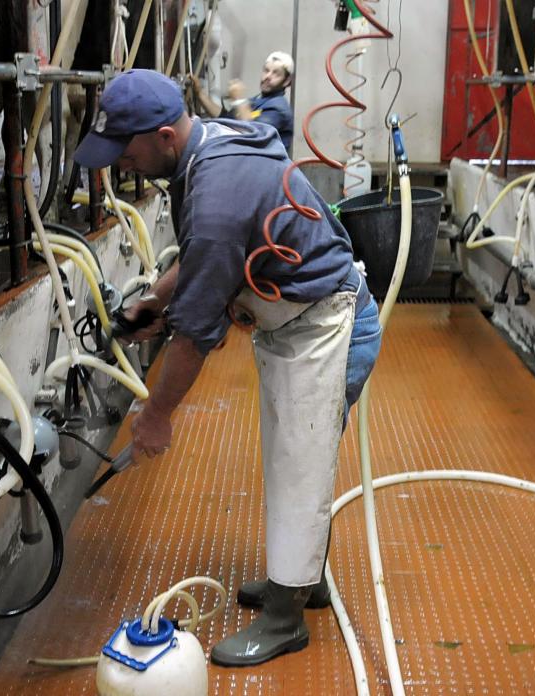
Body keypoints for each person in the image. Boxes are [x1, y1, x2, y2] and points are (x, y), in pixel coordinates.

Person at [74, 69, 382, 667]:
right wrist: (155, 300)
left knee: (301, 466)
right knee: (292, 460)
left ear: (164, 136)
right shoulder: (202, 148)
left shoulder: (214, 188)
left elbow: (195, 332)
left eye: (127, 151)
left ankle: (286, 619)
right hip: (294, 326)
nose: (120, 164)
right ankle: (301, 581)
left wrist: (156, 415)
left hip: (329, 327)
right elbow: (202, 256)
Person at [191, 51, 295, 150]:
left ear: (287, 81)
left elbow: (253, 136)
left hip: (266, 166)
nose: (268, 76)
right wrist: (199, 93)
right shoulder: (258, 100)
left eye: (276, 73)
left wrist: (238, 100)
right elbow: (225, 118)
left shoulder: (278, 109)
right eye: (266, 70)